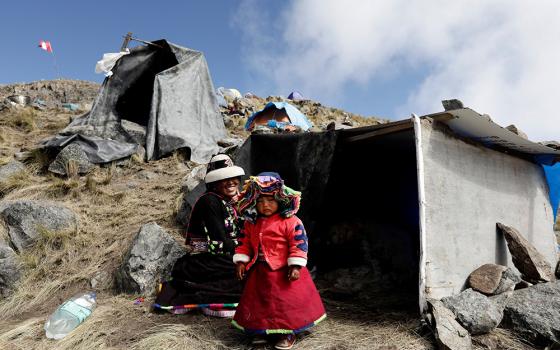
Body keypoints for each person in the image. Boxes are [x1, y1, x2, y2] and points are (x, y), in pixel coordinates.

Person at [232, 172, 326, 349]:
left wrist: (296, 265)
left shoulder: (291, 222)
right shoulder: (251, 223)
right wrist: (241, 261)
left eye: (270, 200)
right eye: (260, 201)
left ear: (280, 200)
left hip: (284, 272)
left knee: (285, 304)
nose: (265, 205)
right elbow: (243, 243)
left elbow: (298, 244)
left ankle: (287, 332)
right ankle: (260, 331)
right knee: (260, 302)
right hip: (259, 272)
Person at [153, 154, 245, 317]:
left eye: (233, 177)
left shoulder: (231, 202)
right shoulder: (210, 202)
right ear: (215, 183)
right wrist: (246, 248)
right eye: (224, 178)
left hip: (228, 255)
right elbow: (219, 244)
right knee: (247, 273)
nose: (231, 182)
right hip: (209, 259)